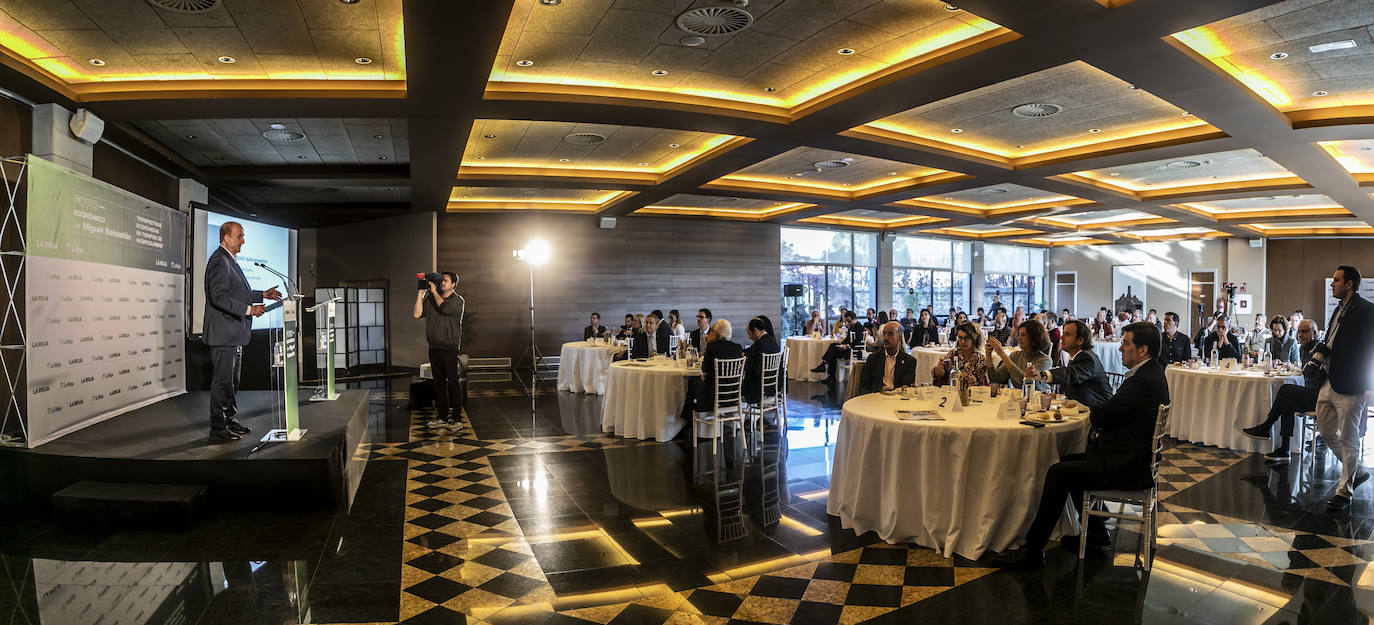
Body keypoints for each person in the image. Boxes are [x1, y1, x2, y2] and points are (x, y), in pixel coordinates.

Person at [993, 321, 1169, 568]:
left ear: (1143, 350)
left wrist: (1096, 420)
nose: (1120, 348)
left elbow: (1101, 415)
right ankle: (1096, 531)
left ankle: (1033, 550)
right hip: (1131, 456)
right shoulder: (1151, 374)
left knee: (1058, 472)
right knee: (1068, 460)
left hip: (1127, 466)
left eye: (1126, 343)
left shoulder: (1142, 381)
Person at [204, 221, 283, 443]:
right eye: (239, 236)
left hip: (234, 332)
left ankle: (229, 420)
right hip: (224, 334)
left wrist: (262, 295)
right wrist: (250, 309)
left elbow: (238, 292)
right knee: (222, 382)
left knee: (231, 381)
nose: (243, 241)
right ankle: (217, 428)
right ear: (226, 238)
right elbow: (219, 297)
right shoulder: (219, 261)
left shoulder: (230, 261)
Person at [1310, 266, 1374, 510]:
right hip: (1329, 380)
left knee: (1349, 438)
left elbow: (1371, 349)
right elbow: (1331, 341)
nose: (1332, 284)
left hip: (1353, 385)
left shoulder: (1367, 310)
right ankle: (1356, 471)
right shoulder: (1338, 308)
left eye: (1336, 280)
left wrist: (1369, 385)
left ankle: (1344, 491)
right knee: (1326, 431)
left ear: (1349, 284)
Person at [1242, 319, 1320, 460]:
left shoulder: (1318, 349)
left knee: (1285, 389)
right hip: (1310, 393)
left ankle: (1265, 427)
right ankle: (1285, 449)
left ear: (1314, 333)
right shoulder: (1303, 348)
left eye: (1305, 331)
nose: (1300, 335)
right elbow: (1305, 371)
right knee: (1288, 402)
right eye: (1299, 331)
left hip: (1321, 396)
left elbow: (1311, 374)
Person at [413, 270, 466, 431]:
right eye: (441, 280)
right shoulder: (430, 298)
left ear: (453, 284)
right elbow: (417, 314)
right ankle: (442, 417)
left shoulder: (457, 301)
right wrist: (421, 294)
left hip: (449, 348)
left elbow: (444, 309)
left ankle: (457, 419)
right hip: (434, 347)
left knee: (453, 384)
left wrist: (434, 291)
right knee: (439, 384)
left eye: (446, 281)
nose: (442, 283)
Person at [1024, 319, 1112, 408]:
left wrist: (1043, 375)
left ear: (1080, 340)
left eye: (1067, 334)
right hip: (1083, 410)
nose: (1061, 337)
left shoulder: (1087, 357)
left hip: (1099, 414)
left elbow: (1070, 374)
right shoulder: (1077, 357)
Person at [986, 318, 1052, 390]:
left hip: (1037, 398)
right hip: (1019, 398)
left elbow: (1026, 383)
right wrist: (988, 355)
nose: (1019, 338)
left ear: (1034, 337)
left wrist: (1002, 354)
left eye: (1023, 335)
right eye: (1019, 334)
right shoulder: (1015, 355)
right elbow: (995, 379)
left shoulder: (1045, 360)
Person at [695, 319, 745, 412]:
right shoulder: (737, 348)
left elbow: (704, 369)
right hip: (733, 394)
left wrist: (708, 343)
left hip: (713, 395)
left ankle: (690, 422)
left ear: (716, 333)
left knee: (694, 384)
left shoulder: (712, 347)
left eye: (712, 331)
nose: (710, 333)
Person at [859, 321, 917, 395]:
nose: (885, 338)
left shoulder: (909, 361)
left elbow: (907, 388)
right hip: (876, 399)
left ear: (899, 337)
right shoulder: (873, 359)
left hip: (897, 401)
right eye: (884, 334)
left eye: (890, 334)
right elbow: (864, 386)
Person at [812, 311, 864, 385]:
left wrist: (847, 346)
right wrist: (841, 345)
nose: (848, 323)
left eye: (849, 321)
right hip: (848, 349)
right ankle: (830, 375)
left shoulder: (859, 327)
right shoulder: (851, 327)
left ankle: (824, 366)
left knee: (833, 349)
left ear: (854, 318)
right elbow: (847, 339)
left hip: (853, 351)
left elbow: (858, 341)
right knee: (833, 348)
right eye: (847, 322)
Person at [931, 321, 988, 387]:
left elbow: (980, 384)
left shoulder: (980, 359)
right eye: (960, 338)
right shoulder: (953, 354)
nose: (963, 341)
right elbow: (938, 374)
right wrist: (939, 370)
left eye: (966, 338)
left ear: (973, 339)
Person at [742, 318, 781, 403]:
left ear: (755, 330)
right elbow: (750, 351)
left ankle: (735, 411)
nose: (749, 337)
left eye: (749, 333)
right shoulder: (771, 341)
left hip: (759, 387)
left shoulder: (760, 344)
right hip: (773, 384)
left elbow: (754, 369)